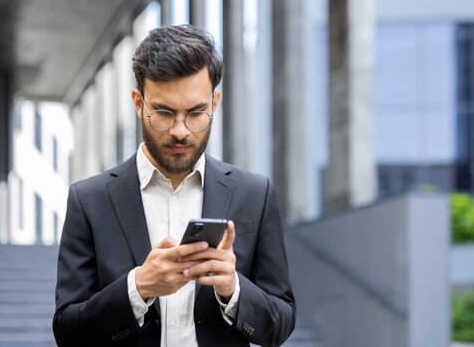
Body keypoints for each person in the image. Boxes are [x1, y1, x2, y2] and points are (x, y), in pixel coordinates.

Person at [53, 24, 295, 347]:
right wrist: (138, 287)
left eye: (196, 113)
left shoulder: (256, 194)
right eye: (164, 113)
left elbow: (281, 322)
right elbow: (67, 331)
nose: (181, 131)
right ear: (139, 103)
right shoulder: (88, 201)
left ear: (215, 103)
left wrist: (233, 290)